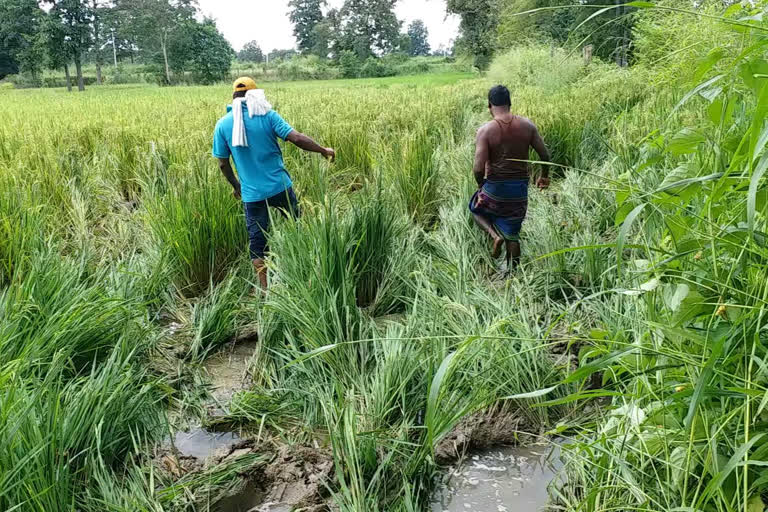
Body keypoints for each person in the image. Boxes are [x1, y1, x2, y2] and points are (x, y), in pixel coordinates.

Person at [213, 77, 335, 289]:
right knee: (295, 225)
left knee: (258, 242)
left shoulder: (223, 125)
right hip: (280, 187)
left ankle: (264, 289)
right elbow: (297, 138)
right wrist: (323, 150)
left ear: (233, 98)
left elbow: (223, 164)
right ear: (256, 95)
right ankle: (303, 272)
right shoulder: (267, 116)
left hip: (252, 195)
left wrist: (236, 187)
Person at [469, 85, 551, 269]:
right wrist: (544, 177)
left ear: (489, 105)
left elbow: (477, 168)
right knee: (513, 233)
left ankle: (494, 235)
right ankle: (512, 274)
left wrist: (481, 186)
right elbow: (545, 156)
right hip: (519, 189)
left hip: (495, 187)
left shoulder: (485, 131)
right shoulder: (528, 126)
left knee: (476, 208)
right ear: (510, 103)